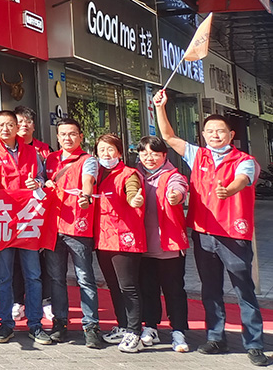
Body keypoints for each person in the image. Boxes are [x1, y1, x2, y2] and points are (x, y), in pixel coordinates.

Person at [154, 90, 268, 366]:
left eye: (220, 131)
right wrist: (159, 107)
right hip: (203, 234)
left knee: (244, 290)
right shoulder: (198, 155)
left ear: (231, 135)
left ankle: (254, 344)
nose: (215, 135)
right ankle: (216, 337)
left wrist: (228, 190)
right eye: (210, 131)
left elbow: (243, 180)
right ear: (203, 134)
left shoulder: (244, 160)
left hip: (233, 235)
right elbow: (168, 137)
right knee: (210, 289)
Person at [0, 109, 51, 345]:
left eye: (10, 124)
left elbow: (42, 178)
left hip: (28, 220)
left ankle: (35, 324)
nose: (5, 129)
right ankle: (6, 323)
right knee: (4, 277)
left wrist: (37, 183)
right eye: (1, 125)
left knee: (33, 275)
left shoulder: (32, 152)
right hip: (2, 221)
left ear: (17, 127)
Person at [81, 133, 145, 353]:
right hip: (103, 238)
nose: (106, 154)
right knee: (114, 286)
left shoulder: (128, 174)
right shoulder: (96, 174)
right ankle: (123, 325)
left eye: (110, 149)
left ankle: (135, 332)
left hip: (124, 238)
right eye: (101, 150)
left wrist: (134, 199)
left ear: (119, 151)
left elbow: (132, 192)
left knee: (128, 287)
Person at [42, 117, 101, 347]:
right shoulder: (50, 159)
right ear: (57, 137)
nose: (68, 138)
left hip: (78, 226)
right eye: (63, 134)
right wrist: (42, 185)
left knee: (84, 278)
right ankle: (60, 323)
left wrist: (86, 195)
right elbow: (41, 183)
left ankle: (91, 326)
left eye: (72, 134)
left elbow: (88, 181)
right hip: (52, 227)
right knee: (56, 279)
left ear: (80, 137)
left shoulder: (88, 160)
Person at [135, 135, 190, 353]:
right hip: (143, 246)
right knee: (147, 289)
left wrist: (175, 196)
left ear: (164, 155)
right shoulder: (134, 175)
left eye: (154, 154)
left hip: (169, 246)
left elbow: (179, 188)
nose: (149, 158)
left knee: (174, 290)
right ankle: (150, 326)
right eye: (144, 153)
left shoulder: (172, 175)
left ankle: (178, 330)